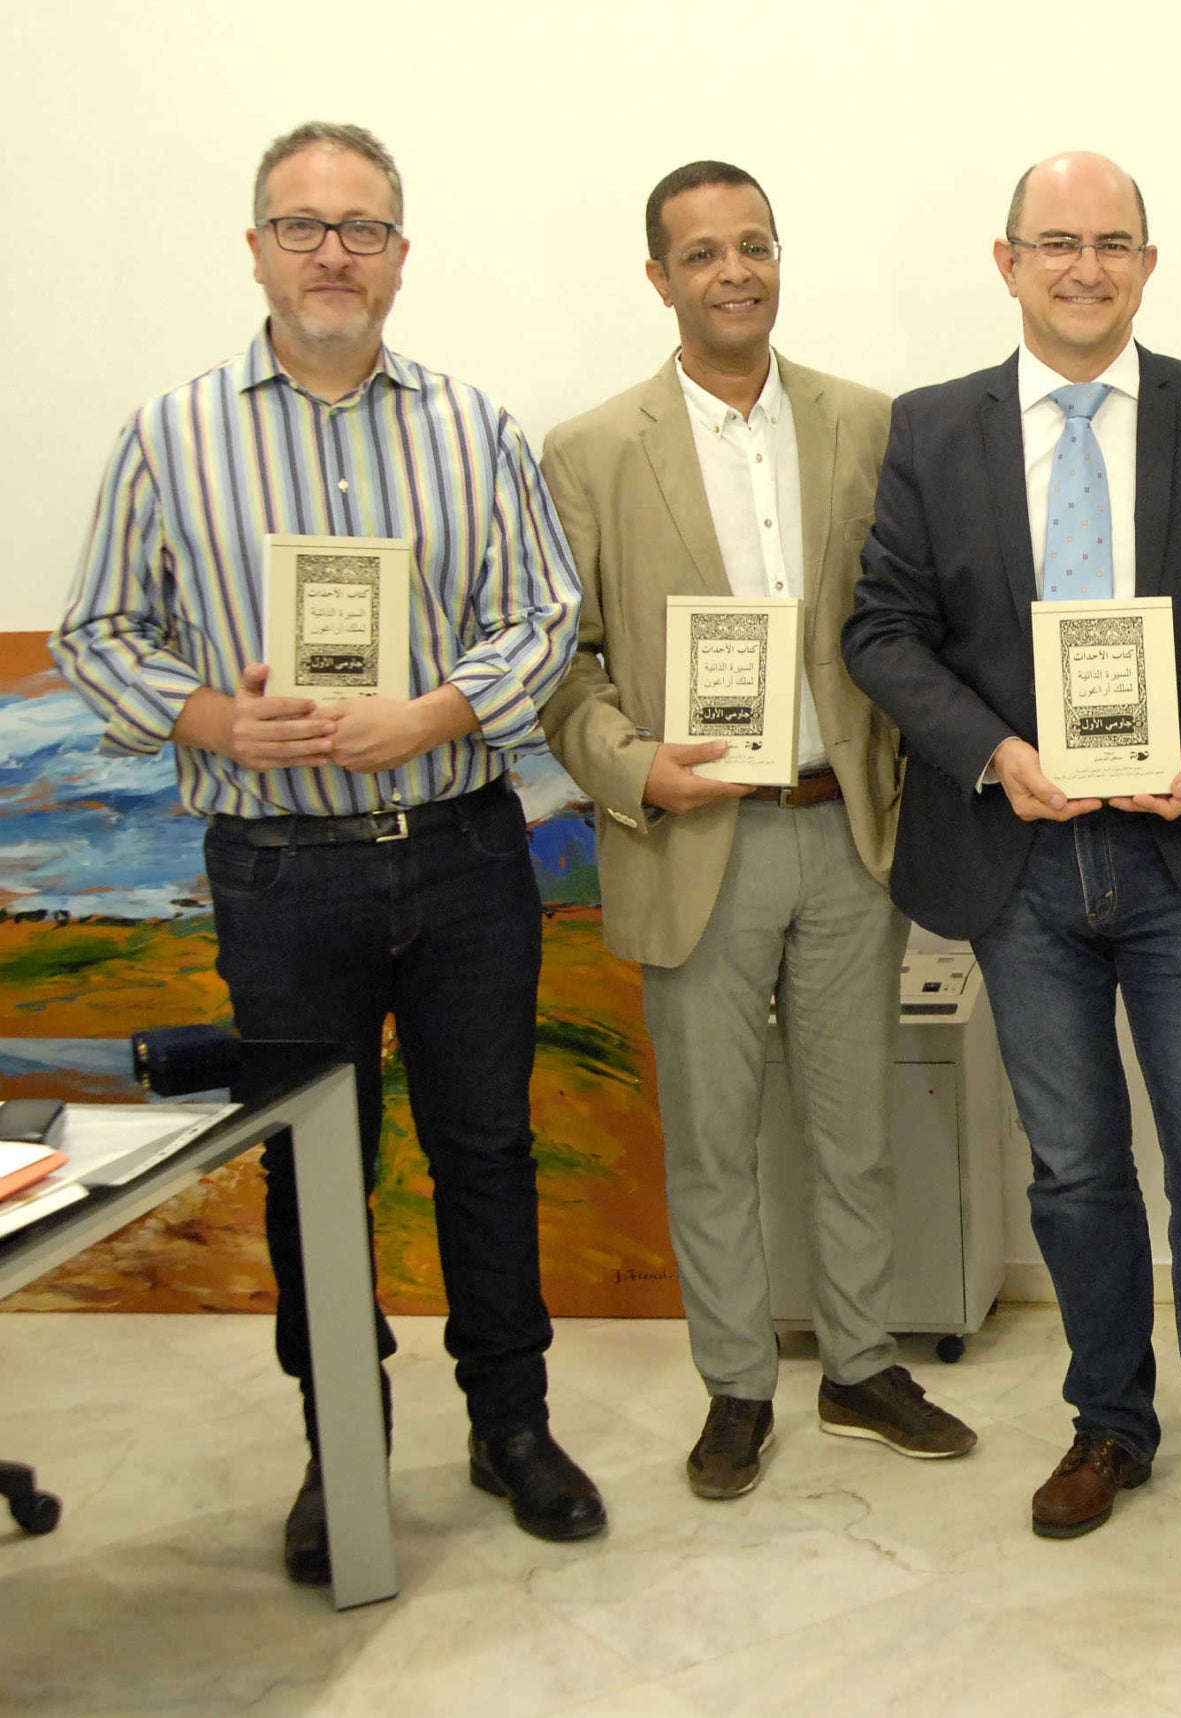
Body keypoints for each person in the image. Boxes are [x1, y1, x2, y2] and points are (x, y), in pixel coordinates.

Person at [50, 121, 604, 1583]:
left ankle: (513, 1422)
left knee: (486, 1148)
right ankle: (340, 1446)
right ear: (255, 250)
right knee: (319, 1172)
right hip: (282, 871)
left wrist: (434, 706)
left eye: (361, 229)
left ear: (401, 257)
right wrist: (222, 720)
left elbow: (543, 613)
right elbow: (98, 633)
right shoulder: (171, 435)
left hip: (465, 849)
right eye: (303, 226)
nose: (333, 254)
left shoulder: (473, 426)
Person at [842, 152, 1181, 1590]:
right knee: (1076, 1174)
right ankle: (1109, 1423)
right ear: (1007, 262)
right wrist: (995, 753)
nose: (1085, 268)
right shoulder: (935, 429)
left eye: (1113, 243)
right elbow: (884, 631)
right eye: (1058, 243)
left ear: (1150, 264)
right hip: (1020, 860)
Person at [537, 161, 975, 1500]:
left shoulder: (869, 424)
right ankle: (736, 1382)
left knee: (855, 1126)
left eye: (757, 246)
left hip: (844, 827)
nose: (737, 272)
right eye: (706, 253)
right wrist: (633, 768)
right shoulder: (592, 450)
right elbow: (565, 668)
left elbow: (909, 619)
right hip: (691, 835)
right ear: (659, 277)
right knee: (715, 1135)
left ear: (781, 260)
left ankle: (858, 1362)